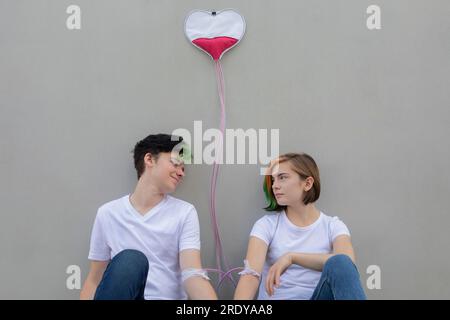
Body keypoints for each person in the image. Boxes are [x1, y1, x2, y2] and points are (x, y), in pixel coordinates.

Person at [80, 133, 217, 300]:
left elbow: (192, 273)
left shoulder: (184, 212)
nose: (181, 173)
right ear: (149, 159)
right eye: (176, 163)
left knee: (131, 259)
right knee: (130, 260)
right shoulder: (108, 213)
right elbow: (95, 279)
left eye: (183, 168)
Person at [234, 153, 366, 300]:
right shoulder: (266, 225)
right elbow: (250, 276)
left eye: (282, 177)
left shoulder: (333, 226)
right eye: (273, 180)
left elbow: (347, 263)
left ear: (307, 183)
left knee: (340, 261)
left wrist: (292, 257)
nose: (275, 186)